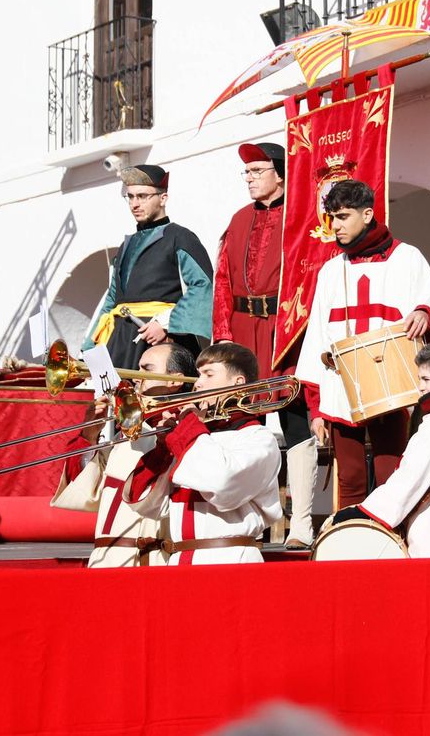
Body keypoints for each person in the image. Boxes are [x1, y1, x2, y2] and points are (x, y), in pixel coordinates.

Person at [293, 179, 430, 511]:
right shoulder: (332, 270)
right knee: (348, 475)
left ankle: (392, 544)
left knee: (390, 471)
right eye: (332, 217)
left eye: (343, 216)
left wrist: (424, 314)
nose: (335, 226)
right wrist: (318, 407)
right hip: (341, 386)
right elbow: (317, 337)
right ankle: (349, 548)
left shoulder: (407, 258)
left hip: (390, 383)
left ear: (367, 214)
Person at [212, 141, 317, 549]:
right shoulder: (238, 220)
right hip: (242, 330)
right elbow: (222, 279)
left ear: (279, 174)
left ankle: (302, 522)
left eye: (257, 171)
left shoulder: (303, 218)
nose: (250, 179)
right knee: (242, 424)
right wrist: (222, 336)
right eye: (247, 173)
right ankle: (245, 518)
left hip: (285, 329)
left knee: (294, 418)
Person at [124, 341, 282, 564]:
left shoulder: (258, 438)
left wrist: (188, 428)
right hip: (180, 559)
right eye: (199, 375)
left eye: (208, 374)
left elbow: (223, 485)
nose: (197, 384)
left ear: (238, 383)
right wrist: (163, 449)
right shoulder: (197, 437)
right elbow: (148, 505)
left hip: (230, 558)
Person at [327, 341, 430, 557]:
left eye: (426, 379)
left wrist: (366, 511)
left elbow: (416, 471)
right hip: (428, 504)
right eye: (419, 379)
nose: (421, 386)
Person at [84, 164, 214, 370]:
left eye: (143, 196)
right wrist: (90, 347)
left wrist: (165, 324)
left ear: (163, 198)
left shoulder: (180, 237)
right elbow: (112, 299)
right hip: (120, 342)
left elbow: (203, 285)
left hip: (161, 342)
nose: (135, 204)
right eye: (131, 197)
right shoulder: (125, 246)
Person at [80, 342, 196, 569]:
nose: (135, 376)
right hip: (109, 559)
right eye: (137, 368)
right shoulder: (128, 430)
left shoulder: (192, 429)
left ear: (174, 381)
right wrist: (89, 437)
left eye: (147, 369)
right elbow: (89, 494)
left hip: (158, 561)